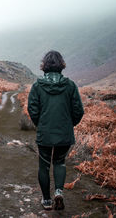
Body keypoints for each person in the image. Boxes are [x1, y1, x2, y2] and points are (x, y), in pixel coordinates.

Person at [27, 50, 84, 210]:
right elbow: (78, 110)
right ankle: (58, 191)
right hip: (64, 133)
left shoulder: (37, 86)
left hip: (45, 133)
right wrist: (68, 124)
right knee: (59, 162)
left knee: (44, 165)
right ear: (61, 65)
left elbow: (32, 109)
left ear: (44, 66)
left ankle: (46, 200)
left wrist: (41, 124)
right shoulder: (70, 85)